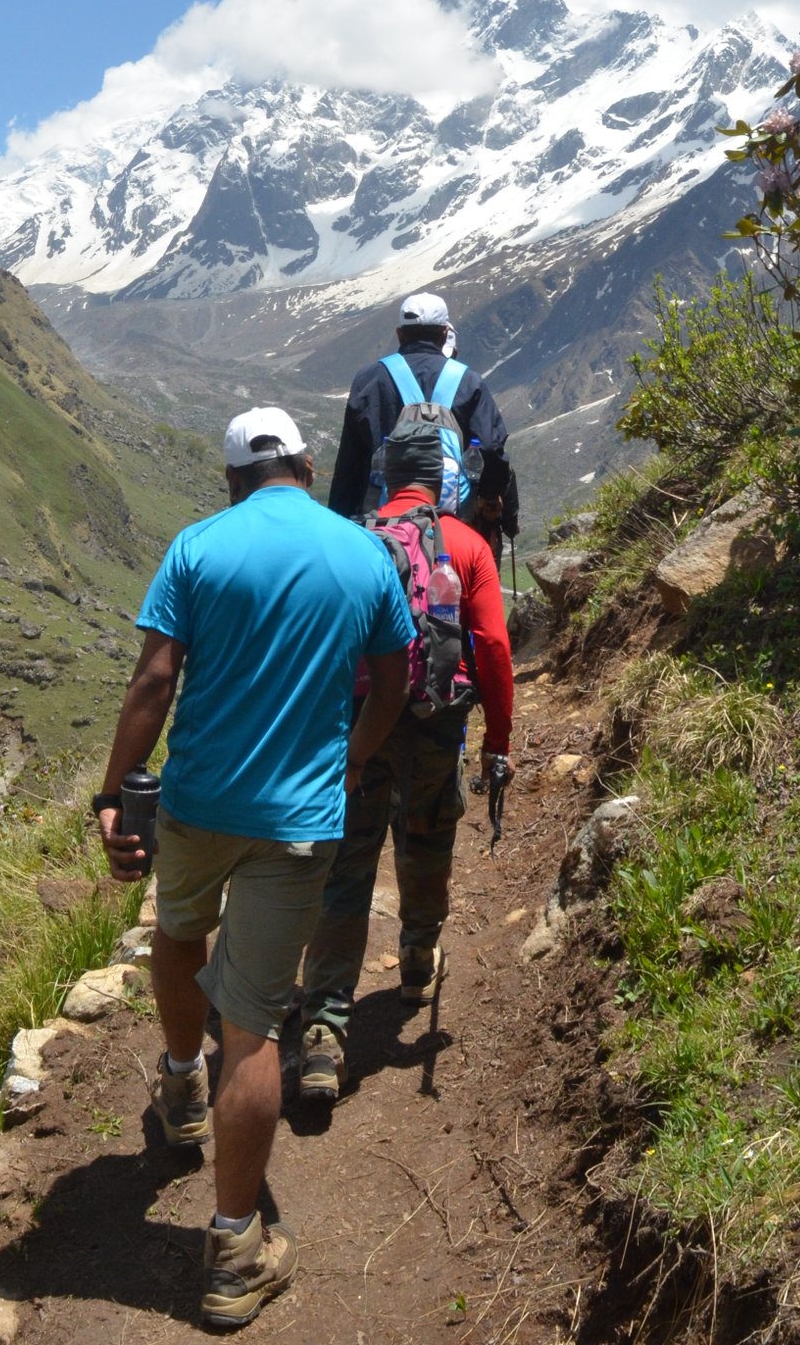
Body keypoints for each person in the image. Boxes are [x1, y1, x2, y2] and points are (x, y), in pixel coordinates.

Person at [96, 406, 413, 1330]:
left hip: (196, 805)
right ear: (310, 466)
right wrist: (351, 760)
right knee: (256, 1027)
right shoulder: (363, 554)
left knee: (179, 932)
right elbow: (393, 681)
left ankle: (181, 1089)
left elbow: (155, 679)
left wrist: (112, 794)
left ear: (233, 477)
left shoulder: (197, 547)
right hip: (298, 823)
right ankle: (235, 1248)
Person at [298, 412, 515, 1100]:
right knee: (426, 840)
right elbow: (494, 651)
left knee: (345, 870)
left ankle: (323, 1032)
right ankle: (419, 957)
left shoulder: (350, 541)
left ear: (385, 476)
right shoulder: (467, 545)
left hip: (357, 730)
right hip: (434, 723)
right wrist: (498, 743)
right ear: (445, 474)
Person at [328, 291, 520, 558]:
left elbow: (349, 463)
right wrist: (487, 497)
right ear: (444, 334)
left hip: (380, 527)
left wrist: (341, 522)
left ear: (399, 334)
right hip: (451, 523)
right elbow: (491, 448)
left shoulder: (369, 380)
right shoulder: (468, 381)